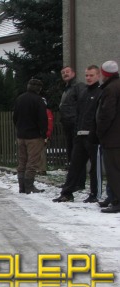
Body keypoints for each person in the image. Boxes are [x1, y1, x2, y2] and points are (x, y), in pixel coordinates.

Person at [53, 65, 101, 203]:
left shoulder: (100, 92)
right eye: (87, 75)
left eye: (91, 75)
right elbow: (78, 113)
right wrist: (76, 131)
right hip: (79, 134)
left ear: (98, 76)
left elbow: (100, 116)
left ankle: (94, 194)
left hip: (93, 136)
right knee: (74, 164)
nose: (89, 78)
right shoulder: (84, 93)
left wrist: (96, 133)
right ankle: (67, 193)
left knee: (94, 167)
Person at [13, 78, 48, 194]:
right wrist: (44, 134)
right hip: (34, 136)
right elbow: (43, 119)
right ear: (39, 88)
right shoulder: (39, 101)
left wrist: (19, 129)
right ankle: (29, 186)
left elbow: (15, 117)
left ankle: (21, 186)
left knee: (22, 161)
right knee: (32, 162)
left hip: (21, 135)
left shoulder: (19, 99)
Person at [94, 61, 120, 213]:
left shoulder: (110, 89)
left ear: (105, 74)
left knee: (114, 170)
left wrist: (100, 131)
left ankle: (117, 200)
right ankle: (113, 198)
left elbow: (107, 113)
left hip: (113, 137)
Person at [39, 97, 54, 175]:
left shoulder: (47, 112)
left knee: (42, 152)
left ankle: (42, 169)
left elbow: (49, 124)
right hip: (38, 134)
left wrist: (47, 135)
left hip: (43, 135)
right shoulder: (39, 112)